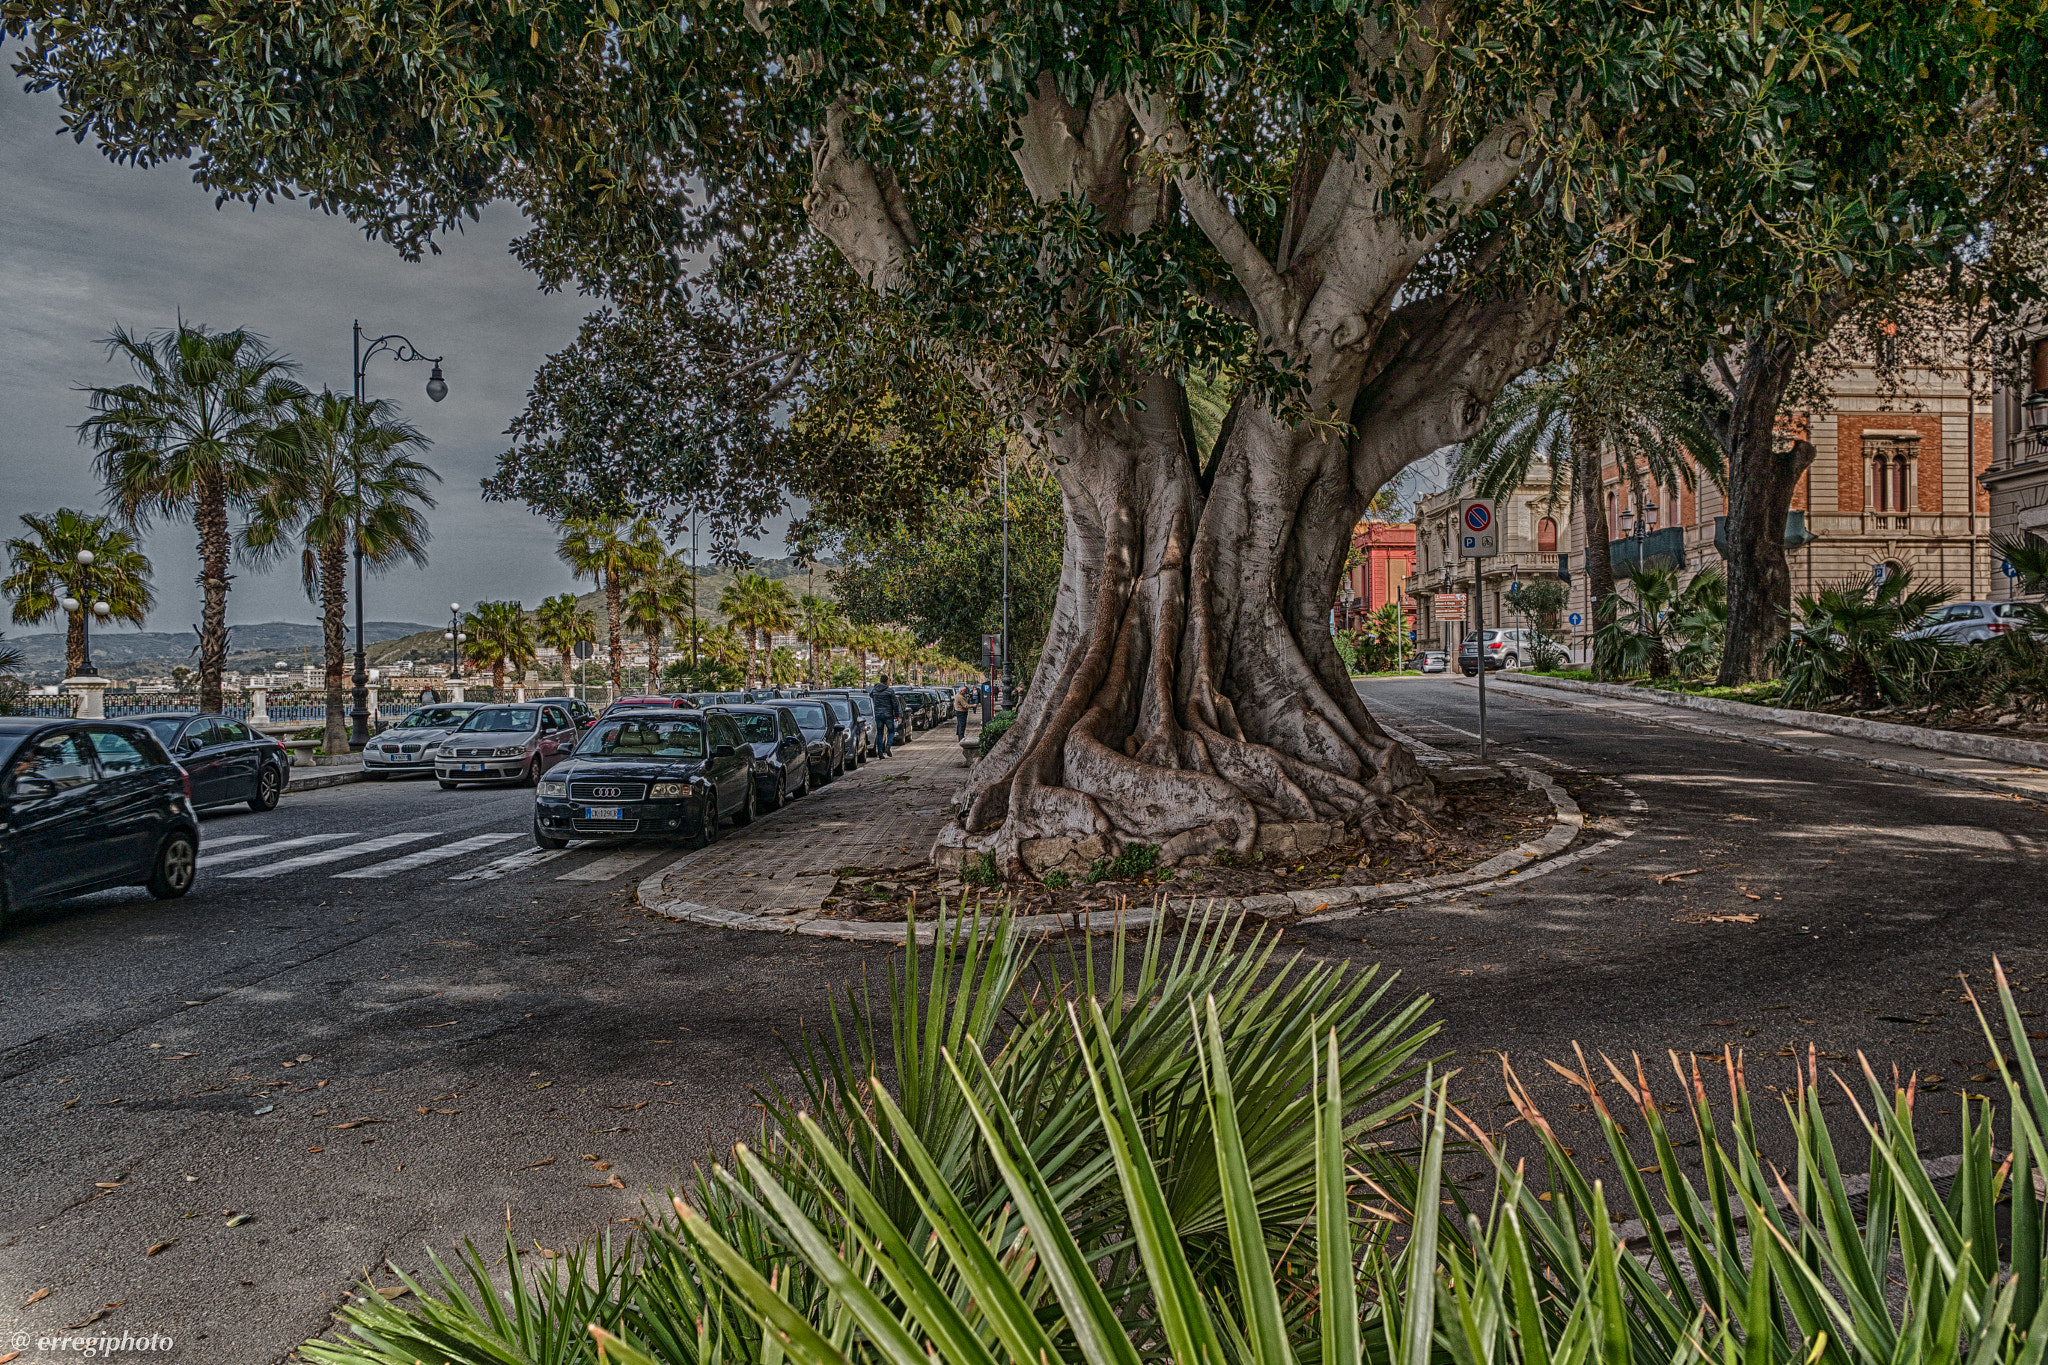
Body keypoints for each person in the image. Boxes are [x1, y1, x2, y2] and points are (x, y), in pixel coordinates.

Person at [868, 674, 899, 757]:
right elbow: (894, 703)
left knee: (880, 733)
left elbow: (871, 696)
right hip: (888, 714)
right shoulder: (889, 691)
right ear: (886, 681)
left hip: (878, 714)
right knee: (891, 731)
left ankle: (880, 752)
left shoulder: (874, 690)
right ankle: (888, 746)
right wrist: (897, 714)